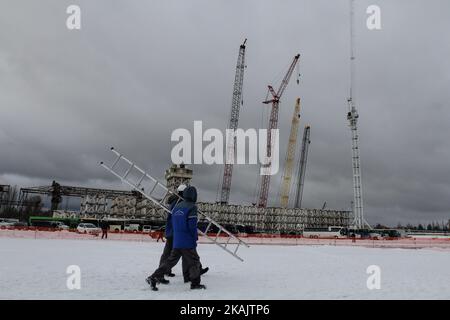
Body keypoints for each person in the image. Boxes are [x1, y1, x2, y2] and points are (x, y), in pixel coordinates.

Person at [147, 186, 206, 290]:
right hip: (187, 240)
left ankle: (154, 276)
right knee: (194, 261)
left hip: (177, 240)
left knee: (170, 261)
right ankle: (195, 283)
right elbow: (192, 226)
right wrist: (194, 238)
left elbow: (173, 223)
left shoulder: (177, 207)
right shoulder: (192, 207)